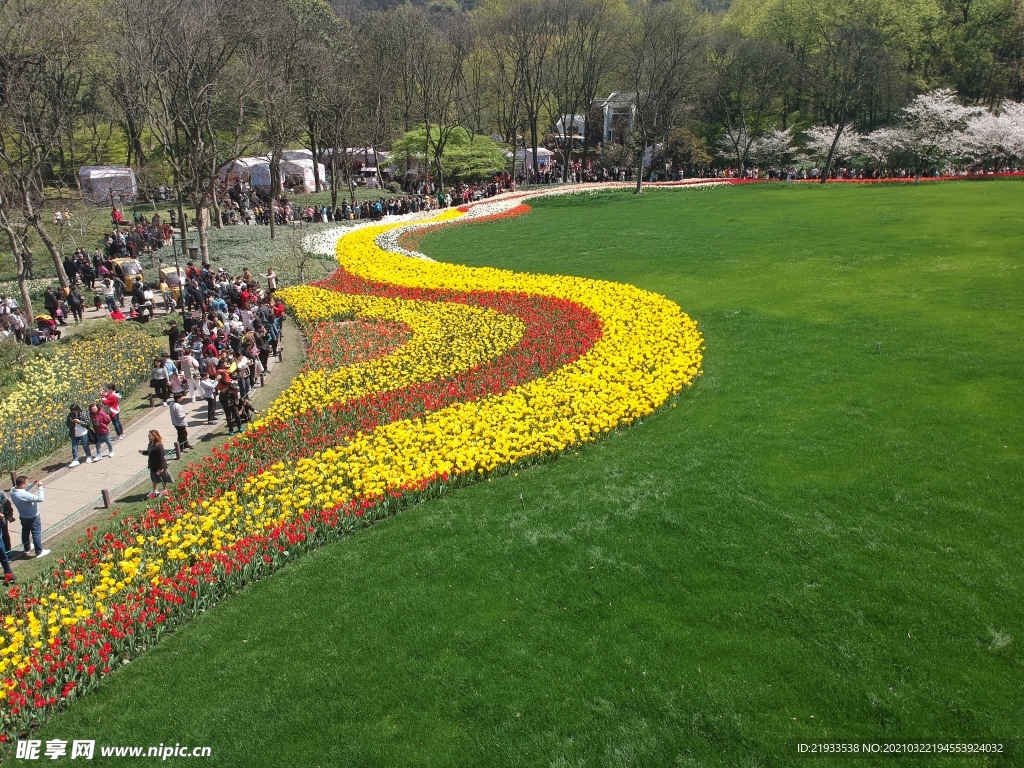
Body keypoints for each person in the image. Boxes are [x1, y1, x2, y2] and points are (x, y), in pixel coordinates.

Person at [9, 476, 50, 559]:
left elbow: (24, 490)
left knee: (25, 532)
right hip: (33, 517)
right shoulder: (24, 495)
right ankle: (39, 552)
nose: (27, 485)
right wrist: (40, 487)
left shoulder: (13, 490)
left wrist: (33, 484)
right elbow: (40, 498)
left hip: (23, 517)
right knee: (36, 533)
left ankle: (27, 548)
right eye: (26, 483)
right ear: (22, 484)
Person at [139, 430, 172, 498]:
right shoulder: (150, 444)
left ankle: (164, 490)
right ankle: (155, 490)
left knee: (163, 479)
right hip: (153, 465)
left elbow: (161, 457)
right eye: (149, 435)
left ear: (155, 436)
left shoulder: (159, 446)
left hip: (160, 466)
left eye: (151, 436)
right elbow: (150, 452)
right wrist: (143, 452)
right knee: (154, 479)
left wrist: (161, 468)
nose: (149, 437)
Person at [0, 489, 15, 581]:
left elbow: (7, 504)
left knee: (4, 557)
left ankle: (8, 574)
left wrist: (7, 516)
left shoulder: (1, 493)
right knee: (3, 557)